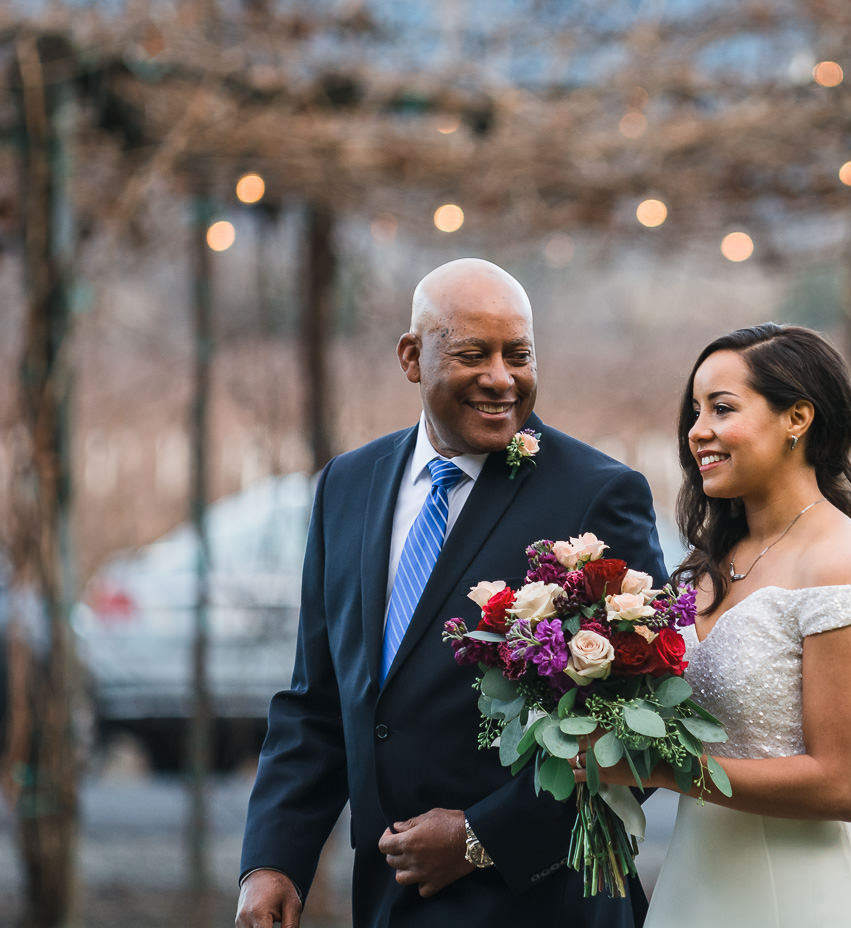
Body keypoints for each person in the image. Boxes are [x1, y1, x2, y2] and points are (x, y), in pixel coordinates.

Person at [236, 258, 666, 928]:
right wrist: (273, 860)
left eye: (518, 354)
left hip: (542, 904)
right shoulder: (347, 485)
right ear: (412, 356)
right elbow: (318, 701)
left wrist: (481, 838)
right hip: (389, 901)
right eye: (474, 354)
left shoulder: (596, 494)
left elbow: (642, 727)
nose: (501, 378)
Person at [589, 323, 851, 927]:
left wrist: (659, 767)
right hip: (704, 869)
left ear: (797, 418)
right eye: (695, 411)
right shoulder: (714, 562)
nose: (698, 431)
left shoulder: (839, 559)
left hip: (807, 883)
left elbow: (839, 787)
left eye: (722, 408)